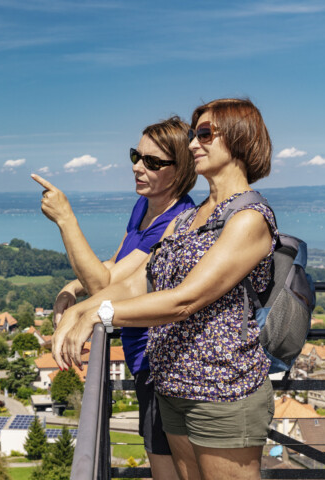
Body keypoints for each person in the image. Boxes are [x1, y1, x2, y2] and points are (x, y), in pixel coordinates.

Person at [52, 98, 276, 480]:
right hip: (174, 386)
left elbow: (184, 300)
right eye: (193, 135)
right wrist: (77, 310)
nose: (193, 144)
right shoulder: (191, 218)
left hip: (222, 390)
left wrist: (98, 313)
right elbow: (139, 280)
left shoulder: (249, 219)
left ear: (240, 140)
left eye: (205, 134)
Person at [32, 116, 197, 480]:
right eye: (136, 155)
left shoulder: (177, 221)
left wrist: (67, 221)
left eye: (153, 162)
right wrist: (70, 289)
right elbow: (114, 270)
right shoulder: (145, 207)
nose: (138, 166)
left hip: (160, 363)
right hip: (144, 361)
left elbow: (106, 285)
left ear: (181, 170)